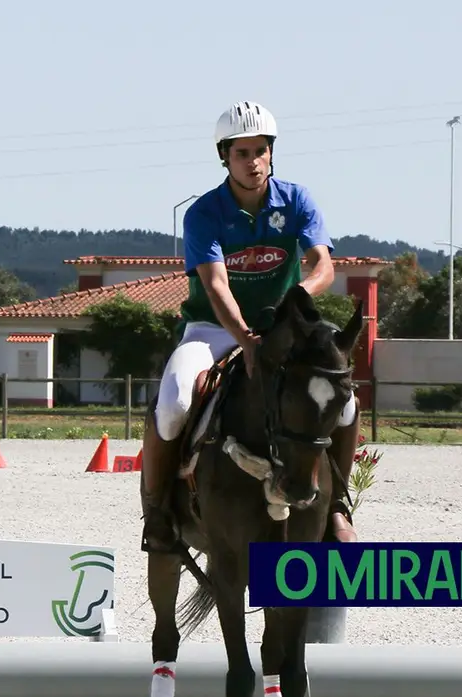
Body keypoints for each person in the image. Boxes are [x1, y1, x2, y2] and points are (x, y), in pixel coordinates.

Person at [139, 100, 359, 553]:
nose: (253, 161)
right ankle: (158, 511)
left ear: (272, 153)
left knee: (347, 402)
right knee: (175, 400)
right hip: (212, 328)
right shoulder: (204, 213)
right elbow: (217, 287)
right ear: (225, 156)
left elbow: (322, 266)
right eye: (242, 152)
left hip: (286, 325)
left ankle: (337, 502)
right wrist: (245, 339)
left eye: (261, 150)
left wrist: (299, 298)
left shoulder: (298, 199)